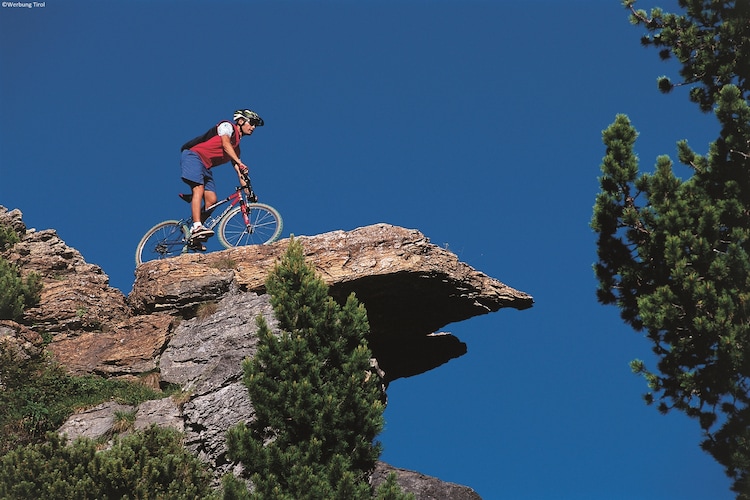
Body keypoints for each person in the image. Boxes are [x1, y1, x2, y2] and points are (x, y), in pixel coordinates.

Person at [180, 109, 264, 240]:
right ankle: (197, 226)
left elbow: (239, 172)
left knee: (212, 201)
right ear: (241, 121)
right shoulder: (227, 126)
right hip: (193, 156)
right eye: (251, 123)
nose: (253, 127)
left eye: (255, 126)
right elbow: (225, 144)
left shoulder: (236, 148)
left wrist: (249, 193)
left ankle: (192, 235)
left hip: (206, 167)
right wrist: (238, 161)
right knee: (199, 189)